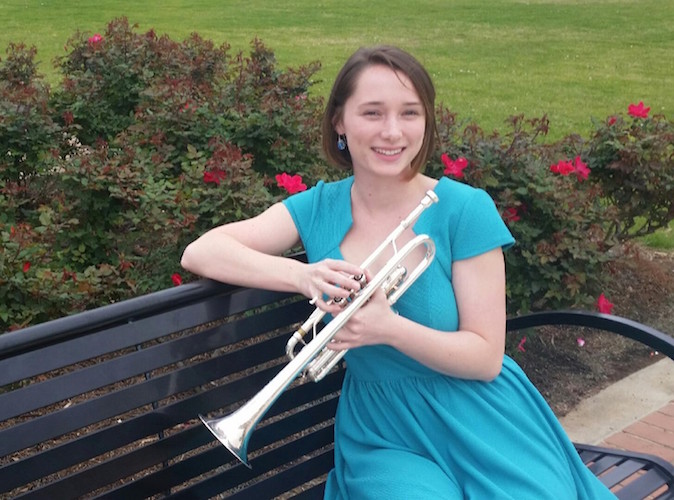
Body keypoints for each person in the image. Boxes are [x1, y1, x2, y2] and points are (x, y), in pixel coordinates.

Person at [181, 46, 616, 499]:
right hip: (383, 432)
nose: (392, 132)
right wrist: (302, 277)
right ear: (339, 122)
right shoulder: (318, 208)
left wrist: (390, 329)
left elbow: (485, 358)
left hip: (482, 417)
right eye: (372, 113)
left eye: (410, 113)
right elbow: (202, 251)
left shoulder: (463, 210)